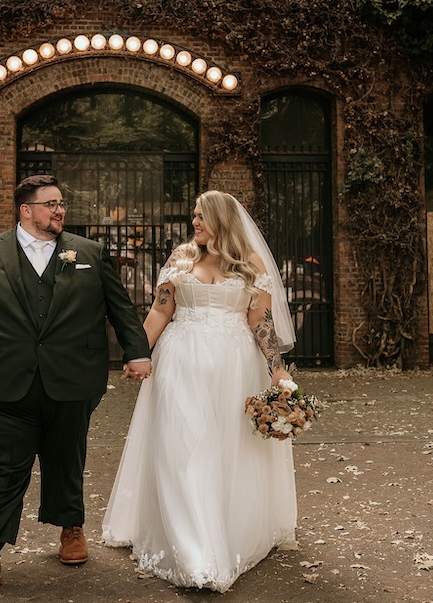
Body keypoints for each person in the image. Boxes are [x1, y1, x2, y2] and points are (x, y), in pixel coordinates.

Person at [0, 174, 152, 592]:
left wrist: (137, 351)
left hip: (72, 377)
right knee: (1, 467)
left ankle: (71, 526)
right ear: (26, 210)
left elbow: (119, 306)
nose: (59, 210)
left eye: (61, 204)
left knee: (65, 455)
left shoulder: (89, 252)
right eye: (50, 204)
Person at [102, 190, 298, 593]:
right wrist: (138, 354)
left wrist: (277, 371)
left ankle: (223, 532)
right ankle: (195, 552)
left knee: (224, 449)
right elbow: (160, 310)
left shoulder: (251, 265)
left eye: (202, 216)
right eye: (193, 215)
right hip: (180, 363)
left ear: (222, 220)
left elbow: (259, 321)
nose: (195, 222)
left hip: (234, 368)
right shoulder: (181, 258)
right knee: (182, 447)